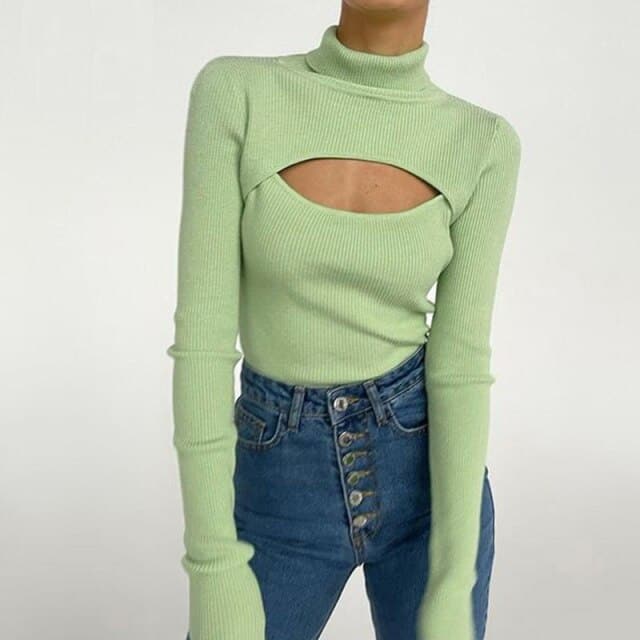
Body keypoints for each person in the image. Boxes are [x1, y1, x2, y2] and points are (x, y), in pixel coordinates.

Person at [166, 2, 522, 639]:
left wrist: (453, 577)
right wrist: (214, 564)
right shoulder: (238, 93)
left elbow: (461, 364)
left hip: (426, 484)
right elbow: (202, 344)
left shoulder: (483, 141)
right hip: (278, 485)